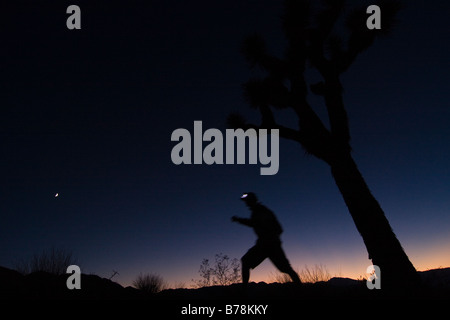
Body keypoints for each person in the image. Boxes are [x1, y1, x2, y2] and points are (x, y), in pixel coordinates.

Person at [231, 192, 301, 284]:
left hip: (269, 245)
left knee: (286, 269)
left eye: (247, 201)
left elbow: (277, 228)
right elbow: (255, 223)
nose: (246, 203)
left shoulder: (261, 210)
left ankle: (301, 289)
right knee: (246, 261)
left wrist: (270, 237)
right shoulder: (257, 211)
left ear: (252, 200)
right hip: (266, 244)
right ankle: (245, 290)